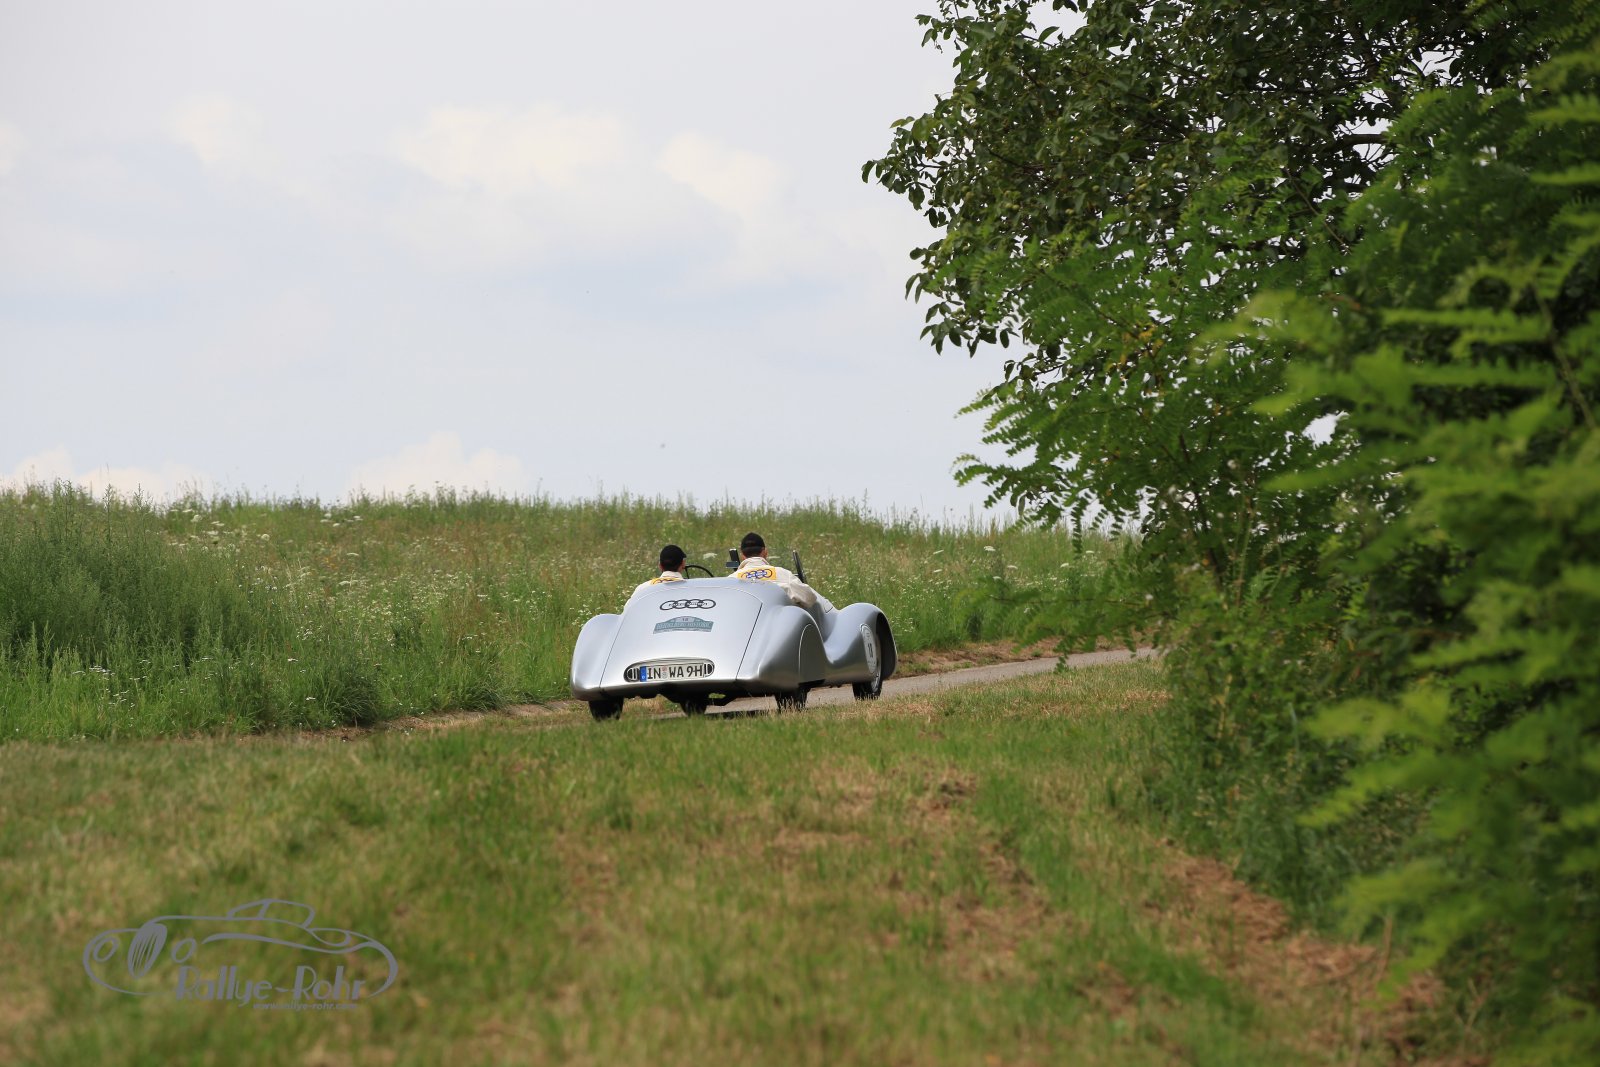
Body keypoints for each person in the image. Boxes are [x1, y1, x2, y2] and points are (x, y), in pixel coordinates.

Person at [730, 531, 831, 611]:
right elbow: (809, 597)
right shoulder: (782, 574)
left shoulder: (732, 580)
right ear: (765, 552)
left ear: (742, 556)